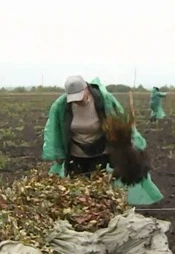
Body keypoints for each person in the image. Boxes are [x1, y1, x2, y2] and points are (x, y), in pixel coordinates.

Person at [42, 75, 164, 206]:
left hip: (100, 152)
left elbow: (119, 119)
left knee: (98, 188)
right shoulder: (61, 105)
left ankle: (100, 214)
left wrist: (130, 142)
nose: (76, 101)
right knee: (77, 190)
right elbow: (54, 130)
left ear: (86, 89)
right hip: (75, 154)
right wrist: (57, 153)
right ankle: (82, 217)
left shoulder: (104, 100)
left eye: (79, 96)